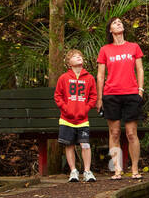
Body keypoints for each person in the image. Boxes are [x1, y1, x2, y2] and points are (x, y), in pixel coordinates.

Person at [96, 17, 144, 180]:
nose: (119, 23)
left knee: (131, 133)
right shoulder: (105, 50)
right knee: (115, 133)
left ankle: (135, 169)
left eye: (120, 22)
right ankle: (117, 169)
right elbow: (100, 75)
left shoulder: (134, 47)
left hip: (131, 93)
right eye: (115, 23)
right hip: (111, 94)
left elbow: (140, 69)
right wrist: (100, 98)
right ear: (110, 29)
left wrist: (140, 90)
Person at [54, 48, 98, 182]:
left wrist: (86, 108)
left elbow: (93, 96)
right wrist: (65, 108)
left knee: (85, 144)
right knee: (69, 145)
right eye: (74, 56)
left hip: (82, 119)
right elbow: (58, 95)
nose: (79, 57)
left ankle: (87, 171)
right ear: (69, 63)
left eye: (80, 55)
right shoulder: (64, 78)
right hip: (67, 119)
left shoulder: (89, 78)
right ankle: (73, 171)